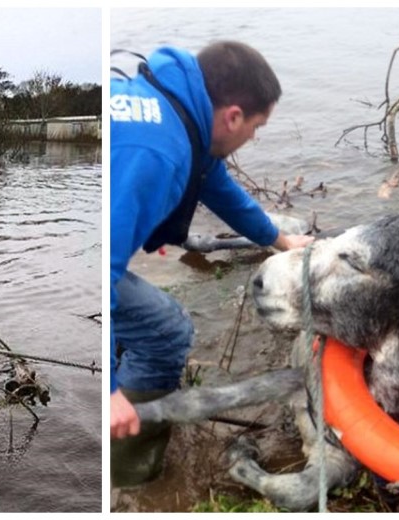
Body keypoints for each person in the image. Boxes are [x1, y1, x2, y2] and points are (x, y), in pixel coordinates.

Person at [109, 41, 314, 486]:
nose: (253, 138)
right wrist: (108, 395)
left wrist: (279, 239)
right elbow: (99, 273)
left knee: (146, 321)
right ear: (233, 116)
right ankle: (127, 474)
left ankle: (124, 371)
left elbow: (219, 188)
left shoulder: (179, 111)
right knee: (168, 330)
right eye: (257, 127)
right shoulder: (157, 152)